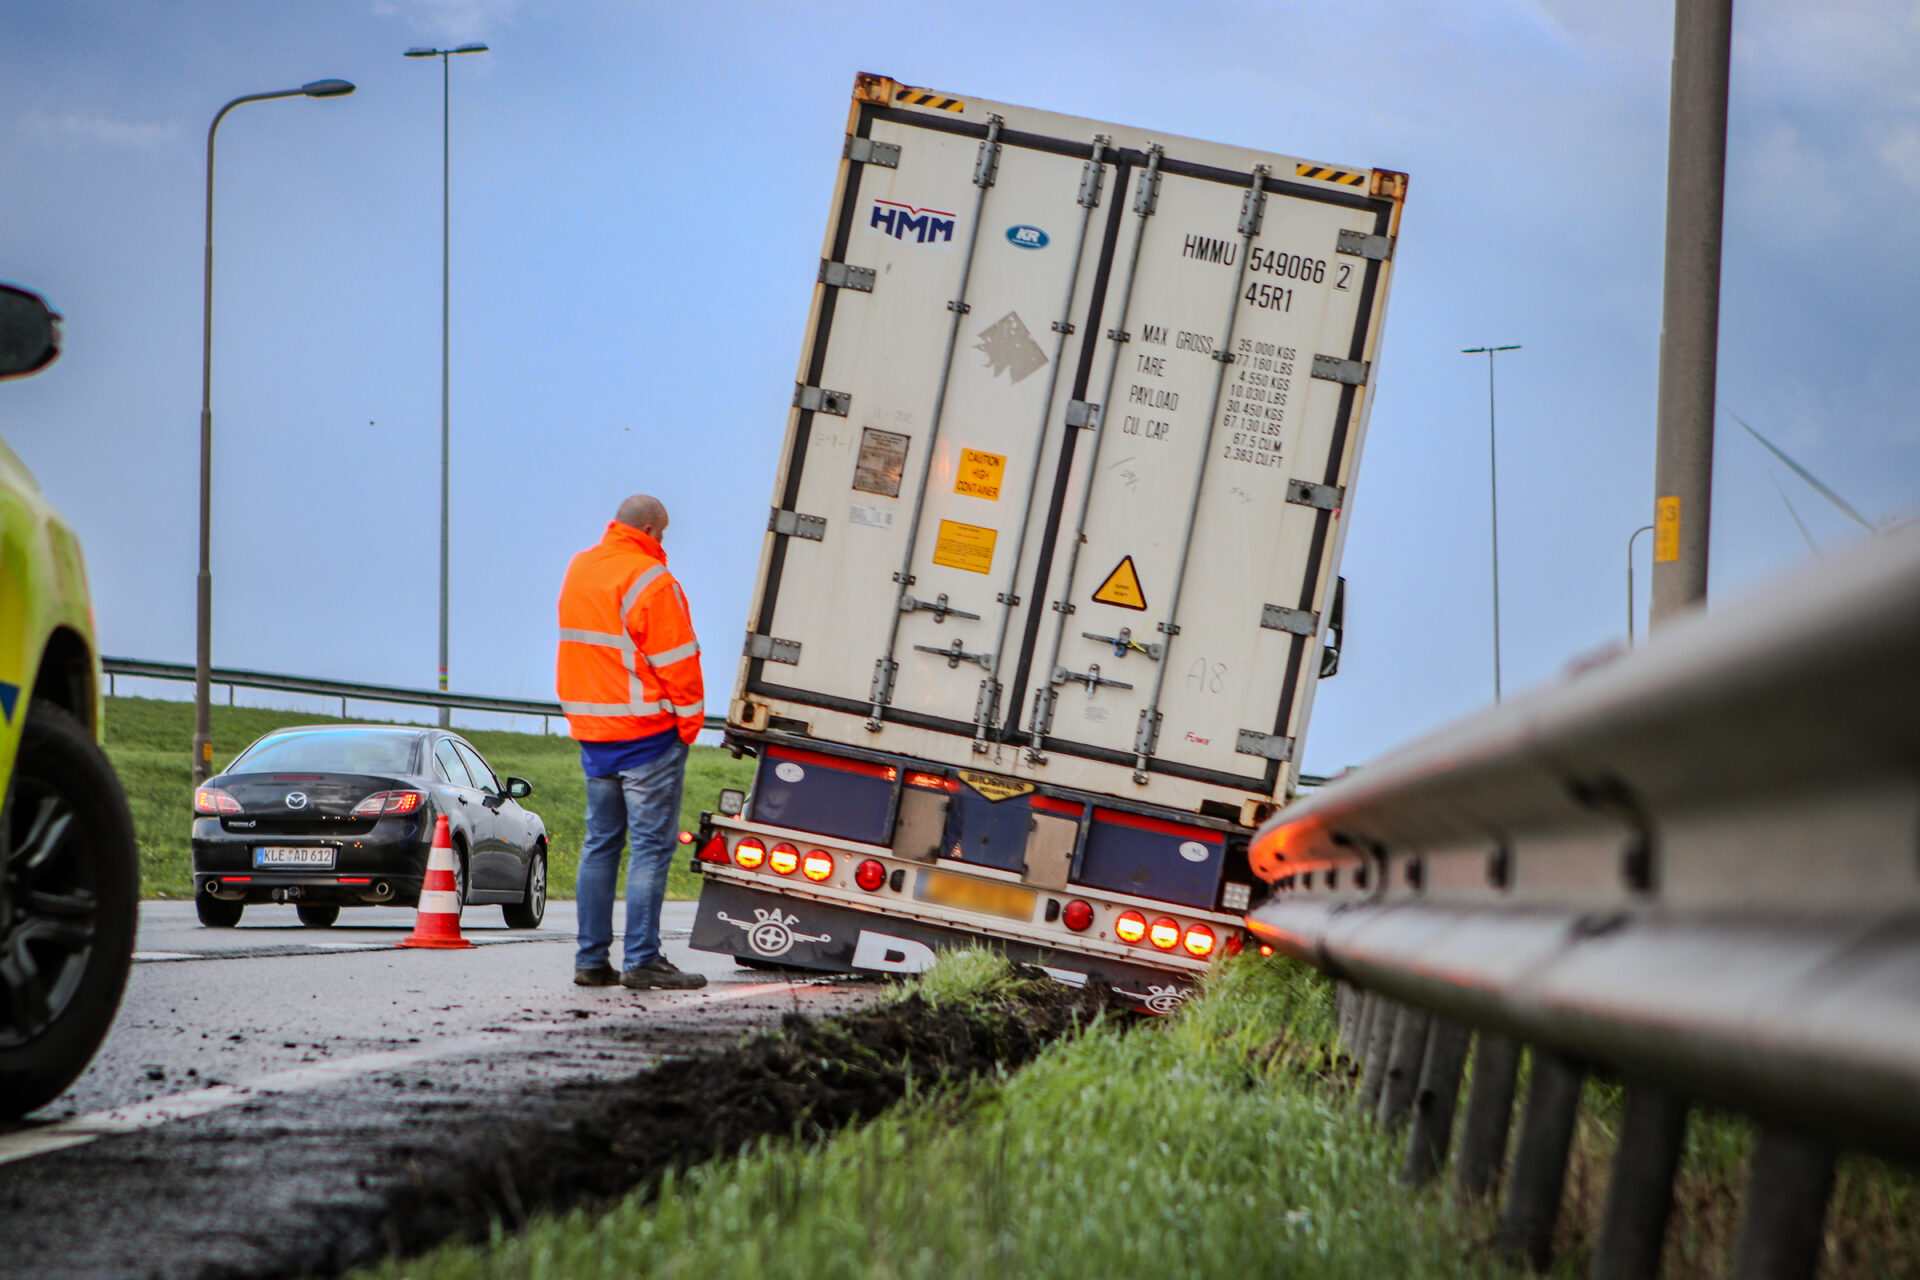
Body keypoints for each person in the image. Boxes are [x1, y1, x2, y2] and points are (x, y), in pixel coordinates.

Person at [556, 494, 708, 989]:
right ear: (650, 529)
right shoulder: (650, 580)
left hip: (594, 736)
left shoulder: (581, 569)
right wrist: (687, 725)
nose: (663, 542)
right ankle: (643, 959)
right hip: (647, 736)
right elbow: (679, 663)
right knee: (649, 850)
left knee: (600, 846)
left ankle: (591, 961)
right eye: (661, 534)